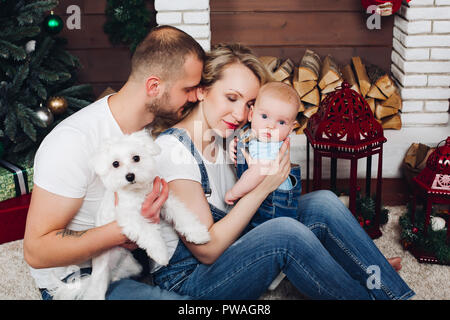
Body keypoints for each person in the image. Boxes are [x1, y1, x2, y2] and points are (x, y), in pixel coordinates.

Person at [151, 43, 414, 300]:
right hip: (193, 281)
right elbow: (206, 250)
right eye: (231, 98)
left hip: (233, 244)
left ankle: (384, 285)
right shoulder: (174, 153)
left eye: (249, 104)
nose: (240, 114)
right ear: (202, 91)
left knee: (324, 203)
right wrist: (266, 185)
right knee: (285, 234)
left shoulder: (225, 134)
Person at [23, 25, 205, 300]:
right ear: (154, 86)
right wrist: (124, 230)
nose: (196, 96)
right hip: (79, 278)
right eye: (189, 89)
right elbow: (36, 251)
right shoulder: (73, 142)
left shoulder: (150, 130)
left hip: (133, 262)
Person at [224, 81, 302, 228]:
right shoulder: (256, 134)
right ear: (252, 114)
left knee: (262, 230)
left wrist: (234, 193)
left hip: (273, 207)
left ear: (291, 128)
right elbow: (245, 139)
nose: (270, 125)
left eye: (281, 122)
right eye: (265, 116)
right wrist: (234, 144)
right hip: (263, 201)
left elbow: (257, 172)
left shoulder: (272, 147)